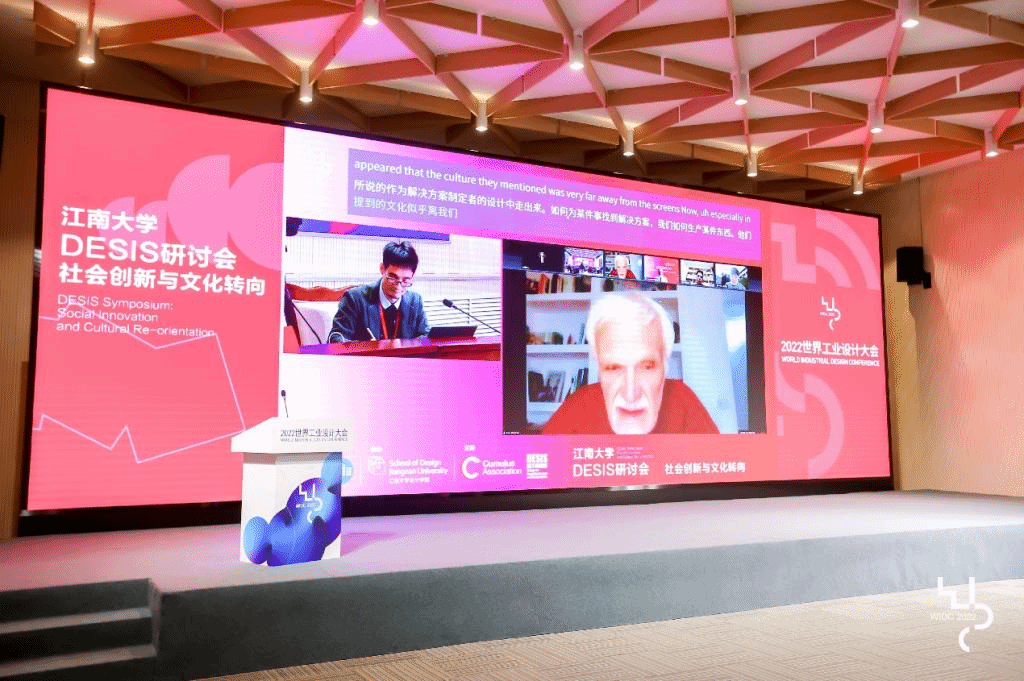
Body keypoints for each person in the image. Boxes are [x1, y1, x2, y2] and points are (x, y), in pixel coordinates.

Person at [541, 293, 718, 435]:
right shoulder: (579, 405)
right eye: (613, 368)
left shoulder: (683, 400)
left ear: (665, 367)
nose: (630, 394)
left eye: (647, 367)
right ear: (599, 367)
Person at [327, 241, 429, 343]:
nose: (398, 286)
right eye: (392, 277)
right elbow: (336, 338)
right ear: (382, 269)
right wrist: (366, 347)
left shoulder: (415, 300)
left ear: (412, 277)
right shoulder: (354, 299)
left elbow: (425, 337)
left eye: (406, 280)